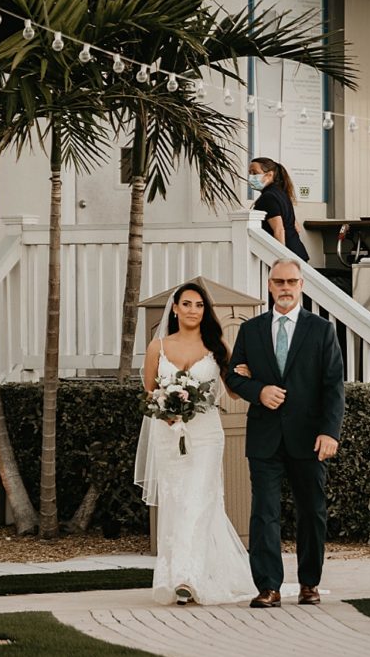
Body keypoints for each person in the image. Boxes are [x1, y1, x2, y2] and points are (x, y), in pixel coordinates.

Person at [226, 258, 345, 608]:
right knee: (264, 513)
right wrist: (258, 391)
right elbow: (233, 376)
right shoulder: (251, 330)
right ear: (269, 285)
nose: (285, 288)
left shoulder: (321, 330)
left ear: (301, 285)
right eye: (278, 281)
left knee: (312, 511)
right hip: (264, 437)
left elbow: (333, 386)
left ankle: (310, 583)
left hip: (309, 438)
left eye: (291, 281)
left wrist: (330, 432)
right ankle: (268, 587)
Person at [134, 282, 255, 606]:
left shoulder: (218, 347)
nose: (192, 310)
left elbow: (233, 391)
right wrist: (165, 410)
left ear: (205, 311)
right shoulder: (157, 346)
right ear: (175, 308)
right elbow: (148, 391)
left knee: (199, 501)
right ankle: (175, 575)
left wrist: (246, 373)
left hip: (206, 435)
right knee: (176, 503)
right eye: (186, 304)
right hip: (169, 435)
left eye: (199, 305)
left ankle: (188, 578)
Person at [248, 158, 310, 262]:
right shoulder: (281, 193)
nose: (251, 177)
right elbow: (296, 227)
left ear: (269, 175)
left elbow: (279, 230)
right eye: (250, 173)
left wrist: (281, 261)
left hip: (288, 256)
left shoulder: (268, 197)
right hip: (297, 252)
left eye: (255, 173)